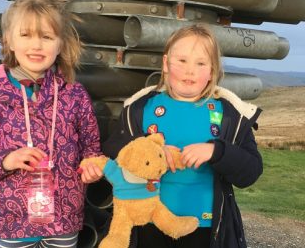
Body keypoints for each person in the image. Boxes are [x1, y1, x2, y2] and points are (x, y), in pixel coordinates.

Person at [90, 24, 263, 248]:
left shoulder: (230, 115)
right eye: (181, 61)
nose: (190, 70)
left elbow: (251, 171)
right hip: (147, 225)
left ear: (212, 72)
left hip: (205, 229)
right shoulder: (140, 108)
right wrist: (149, 151)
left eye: (200, 63)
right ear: (165, 64)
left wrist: (217, 151)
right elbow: (114, 151)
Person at [0, 0, 101, 247]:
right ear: (9, 40)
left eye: (46, 36)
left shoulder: (74, 93)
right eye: (25, 35)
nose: (36, 45)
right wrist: (5, 159)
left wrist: (91, 164)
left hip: (63, 217)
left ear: (60, 43)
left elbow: (91, 145)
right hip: (11, 219)